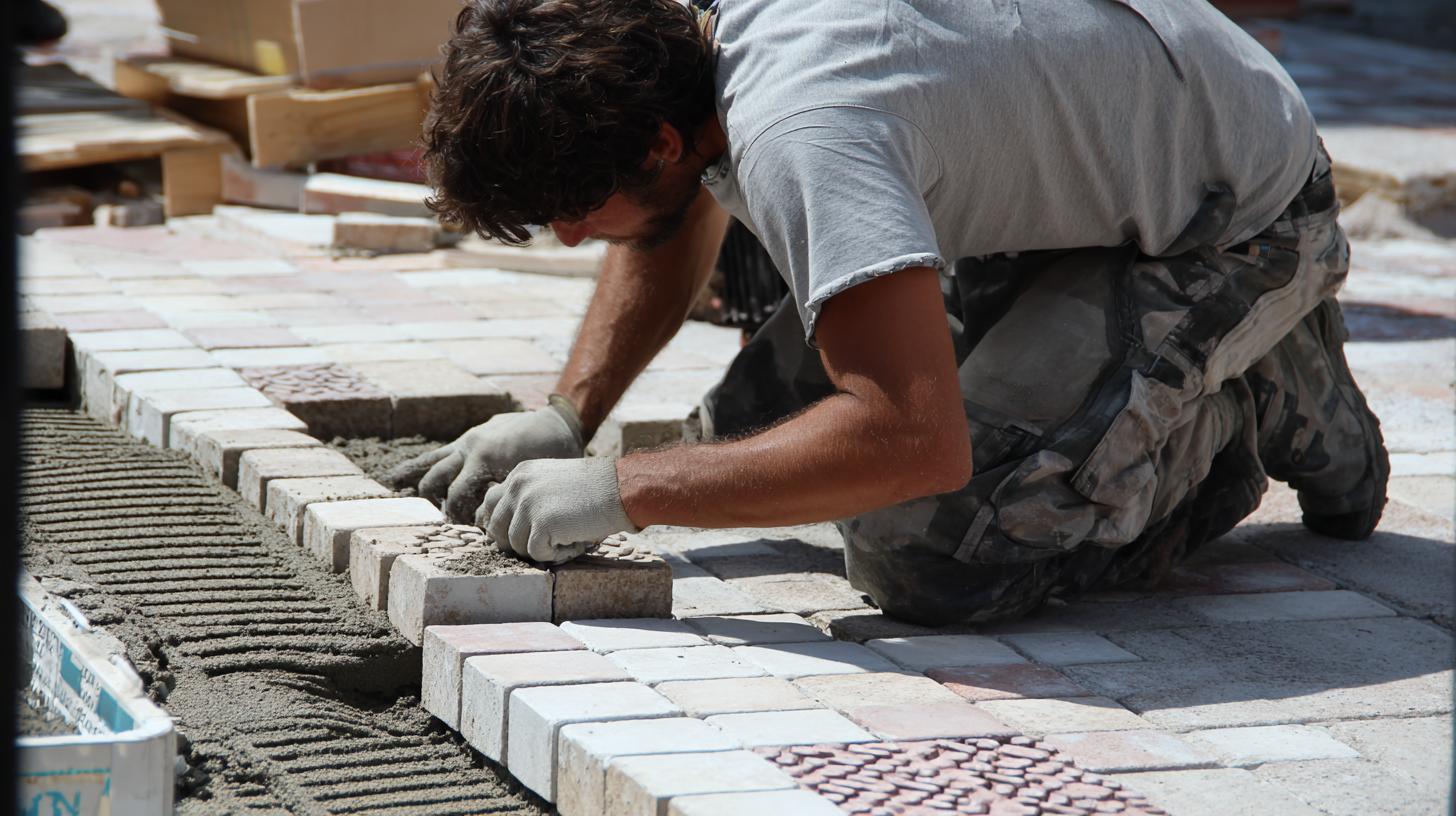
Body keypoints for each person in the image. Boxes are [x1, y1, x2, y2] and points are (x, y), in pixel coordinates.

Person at [386, 0, 1389, 624]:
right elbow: (663, 213)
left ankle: (1255, 395)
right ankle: (1103, 346)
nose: (568, 241)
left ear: (654, 141)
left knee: (930, 548)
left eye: (570, 214)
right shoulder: (670, 38)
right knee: (749, 443)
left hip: (1230, 217)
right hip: (1102, 165)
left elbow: (912, 439)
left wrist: (627, 488)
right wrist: (569, 417)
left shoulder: (802, 129)